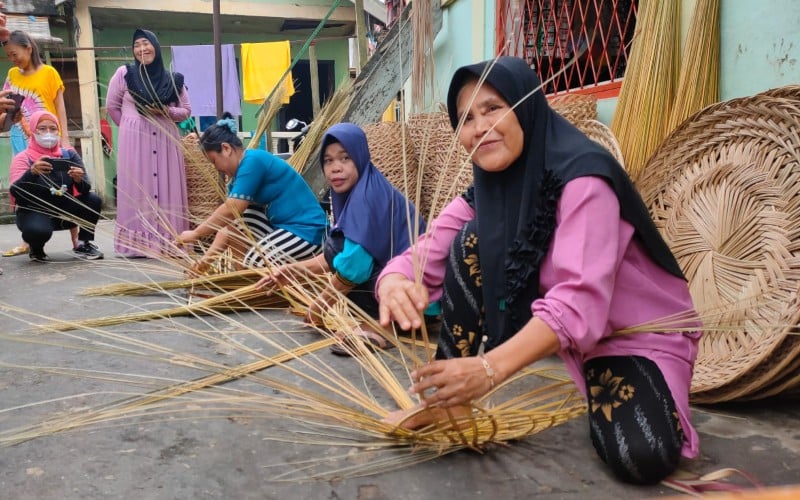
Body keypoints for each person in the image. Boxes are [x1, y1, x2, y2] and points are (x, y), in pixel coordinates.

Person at [376, 57, 701, 485]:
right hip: (570, 337)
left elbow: (578, 302)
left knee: (640, 455)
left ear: (525, 106)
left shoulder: (585, 179)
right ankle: (447, 401)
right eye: (466, 118)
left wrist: (488, 369)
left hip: (632, 339)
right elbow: (427, 252)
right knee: (471, 239)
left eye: (493, 108)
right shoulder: (486, 192)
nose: (479, 127)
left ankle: (630, 384)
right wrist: (394, 281)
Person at [256, 123, 425, 353]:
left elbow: (355, 267)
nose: (335, 168)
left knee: (348, 262)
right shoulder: (358, 192)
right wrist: (291, 271)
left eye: (345, 158)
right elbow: (335, 255)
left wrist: (319, 307)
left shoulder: (367, 197)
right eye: (328, 160)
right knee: (335, 244)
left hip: (418, 295)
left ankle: (380, 326)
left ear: (360, 157)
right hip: (402, 289)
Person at [177, 114, 327, 273]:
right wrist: (204, 262)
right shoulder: (236, 180)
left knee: (255, 262)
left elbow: (232, 208)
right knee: (236, 223)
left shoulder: (253, 161)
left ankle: (263, 288)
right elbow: (228, 225)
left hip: (308, 231)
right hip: (282, 227)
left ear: (226, 149)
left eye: (214, 161)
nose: (216, 168)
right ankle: (240, 278)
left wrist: (196, 233)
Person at [106, 28, 192, 257]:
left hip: (166, 140)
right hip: (134, 143)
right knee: (136, 190)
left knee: (167, 188)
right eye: (137, 45)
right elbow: (112, 106)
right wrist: (128, 127)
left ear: (155, 45)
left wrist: (165, 110)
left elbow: (186, 111)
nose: (142, 48)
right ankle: (137, 245)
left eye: (146, 43)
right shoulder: (124, 74)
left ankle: (169, 242)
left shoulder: (173, 79)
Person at [3, 30, 76, 257]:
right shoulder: (12, 75)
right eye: (9, 56)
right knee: (27, 185)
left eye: (15, 54)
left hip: (50, 139)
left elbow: (60, 108)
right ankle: (29, 237)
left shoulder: (49, 73)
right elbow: (6, 105)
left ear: (29, 48)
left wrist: (64, 139)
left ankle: (77, 239)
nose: (13, 59)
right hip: (21, 137)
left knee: (64, 184)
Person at [9, 110, 103, 261]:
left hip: (64, 209)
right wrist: (31, 173)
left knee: (93, 200)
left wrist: (79, 180)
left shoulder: (69, 155)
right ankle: (36, 248)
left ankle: (82, 243)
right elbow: (16, 192)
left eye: (53, 128)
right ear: (33, 131)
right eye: (42, 128)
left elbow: (85, 188)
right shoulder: (23, 158)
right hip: (35, 211)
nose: (48, 133)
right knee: (37, 230)